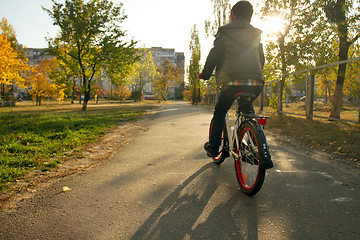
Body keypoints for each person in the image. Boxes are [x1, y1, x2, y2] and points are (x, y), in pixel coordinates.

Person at [200, 1, 265, 157]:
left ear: (233, 15)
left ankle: (214, 146)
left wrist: (206, 73)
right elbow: (261, 59)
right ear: (250, 17)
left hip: (231, 82)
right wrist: (256, 75)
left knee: (220, 111)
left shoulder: (225, 31)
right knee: (247, 108)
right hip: (255, 82)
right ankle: (254, 145)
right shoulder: (256, 33)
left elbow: (215, 54)